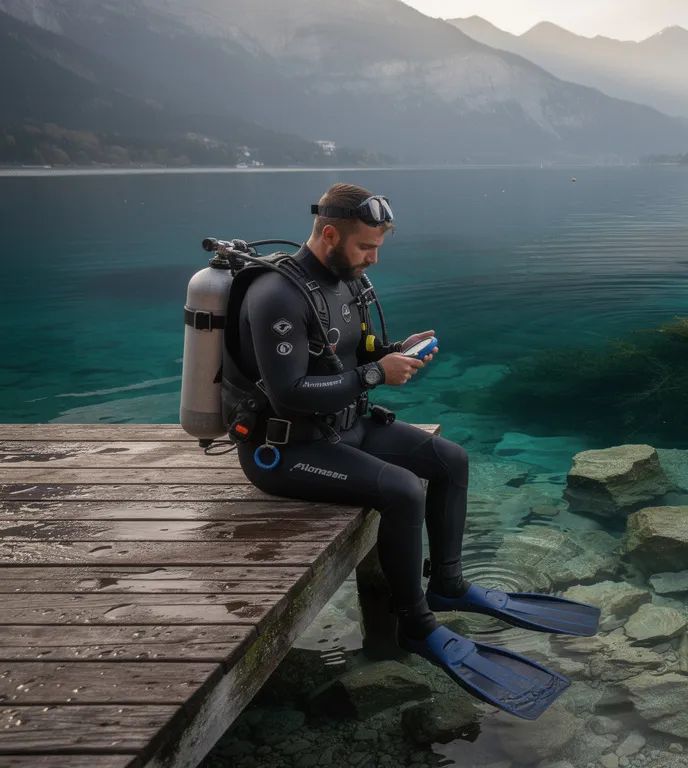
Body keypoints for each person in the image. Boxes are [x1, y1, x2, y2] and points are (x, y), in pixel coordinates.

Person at [224, 183, 599, 719]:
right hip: (283, 451)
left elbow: (346, 351)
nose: (373, 259)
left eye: (378, 248)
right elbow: (288, 392)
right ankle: (415, 623)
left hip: (343, 427)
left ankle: (447, 584)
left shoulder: (344, 282)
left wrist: (389, 351)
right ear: (329, 235)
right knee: (401, 491)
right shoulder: (277, 295)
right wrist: (378, 373)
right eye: (364, 248)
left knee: (451, 460)